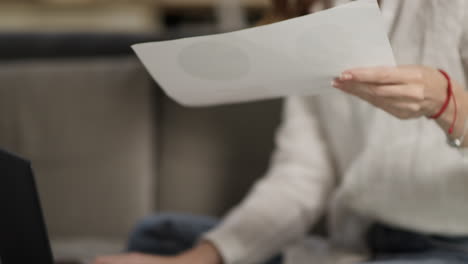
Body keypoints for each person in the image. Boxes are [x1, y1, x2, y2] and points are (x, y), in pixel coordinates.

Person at [94, 0, 468, 263]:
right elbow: (302, 177)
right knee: (157, 236)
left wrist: (446, 103)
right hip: (357, 242)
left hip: (451, 244)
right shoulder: (319, 12)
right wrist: (195, 259)